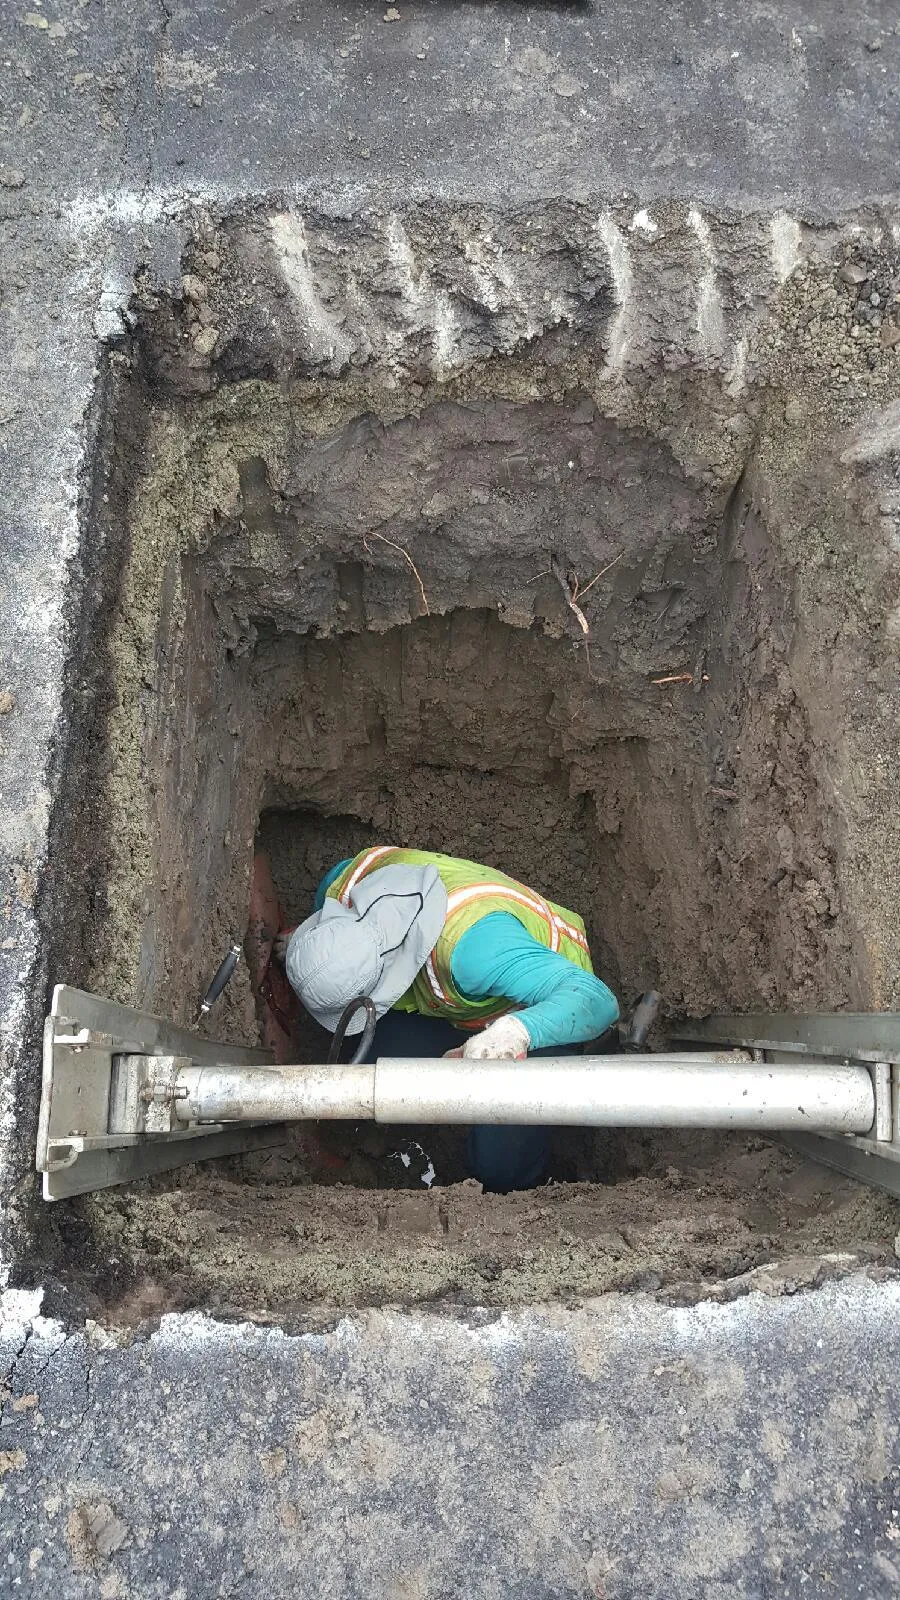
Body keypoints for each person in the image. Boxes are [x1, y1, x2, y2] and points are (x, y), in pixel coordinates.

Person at [281, 845, 619, 1192]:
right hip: (463, 1010)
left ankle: (524, 1188)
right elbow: (333, 956)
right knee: (364, 1057)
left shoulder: (473, 954)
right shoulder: (342, 884)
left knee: (499, 1169)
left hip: (549, 1008)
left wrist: (511, 1034)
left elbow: (598, 1001)